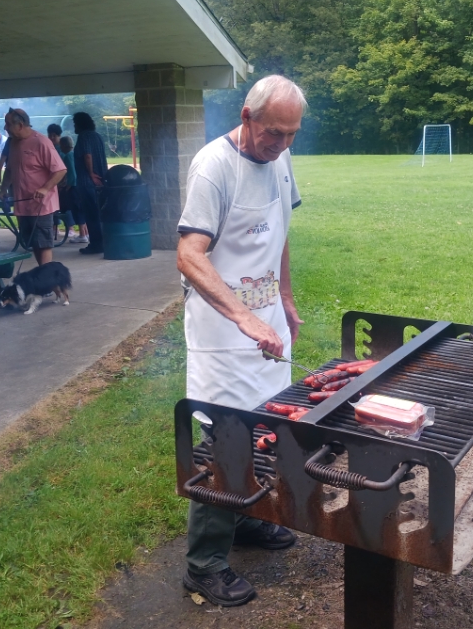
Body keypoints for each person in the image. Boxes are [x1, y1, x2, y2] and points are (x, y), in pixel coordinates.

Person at [176, 75, 306, 607]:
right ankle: (203, 564)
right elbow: (189, 255)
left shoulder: (280, 158)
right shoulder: (214, 165)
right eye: (274, 132)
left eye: (292, 134)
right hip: (223, 333)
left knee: (265, 429)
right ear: (247, 117)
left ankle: (247, 520)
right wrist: (242, 318)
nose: (282, 144)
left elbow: (278, 233)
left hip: (266, 324)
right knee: (227, 438)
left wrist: (287, 299)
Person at [0, 108, 66, 266]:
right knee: (33, 243)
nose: (5, 128)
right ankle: (44, 277)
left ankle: (47, 282)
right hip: (23, 203)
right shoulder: (13, 143)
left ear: (20, 125)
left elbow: (60, 170)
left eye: (8, 124)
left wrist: (44, 188)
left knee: (44, 244)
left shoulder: (41, 142)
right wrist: (3, 189)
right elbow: (10, 169)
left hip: (41, 204)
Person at [71, 112, 107, 255]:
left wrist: (91, 173)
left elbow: (87, 155)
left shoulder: (84, 136)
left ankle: (96, 245)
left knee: (91, 214)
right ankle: (104, 242)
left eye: (75, 124)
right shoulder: (97, 136)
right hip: (101, 181)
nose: (74, 127)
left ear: (80, 124)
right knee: (99, 213)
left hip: (87, 181)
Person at [59, 136, 90, 243]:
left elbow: (72, 173)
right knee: (82, 208)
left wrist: (68, 185)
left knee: (77, 210)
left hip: (74, 187)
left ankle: (82, 234)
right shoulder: (75, 154)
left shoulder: (68, 156)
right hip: (80, 186)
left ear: (63, 145)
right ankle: (86, 232)